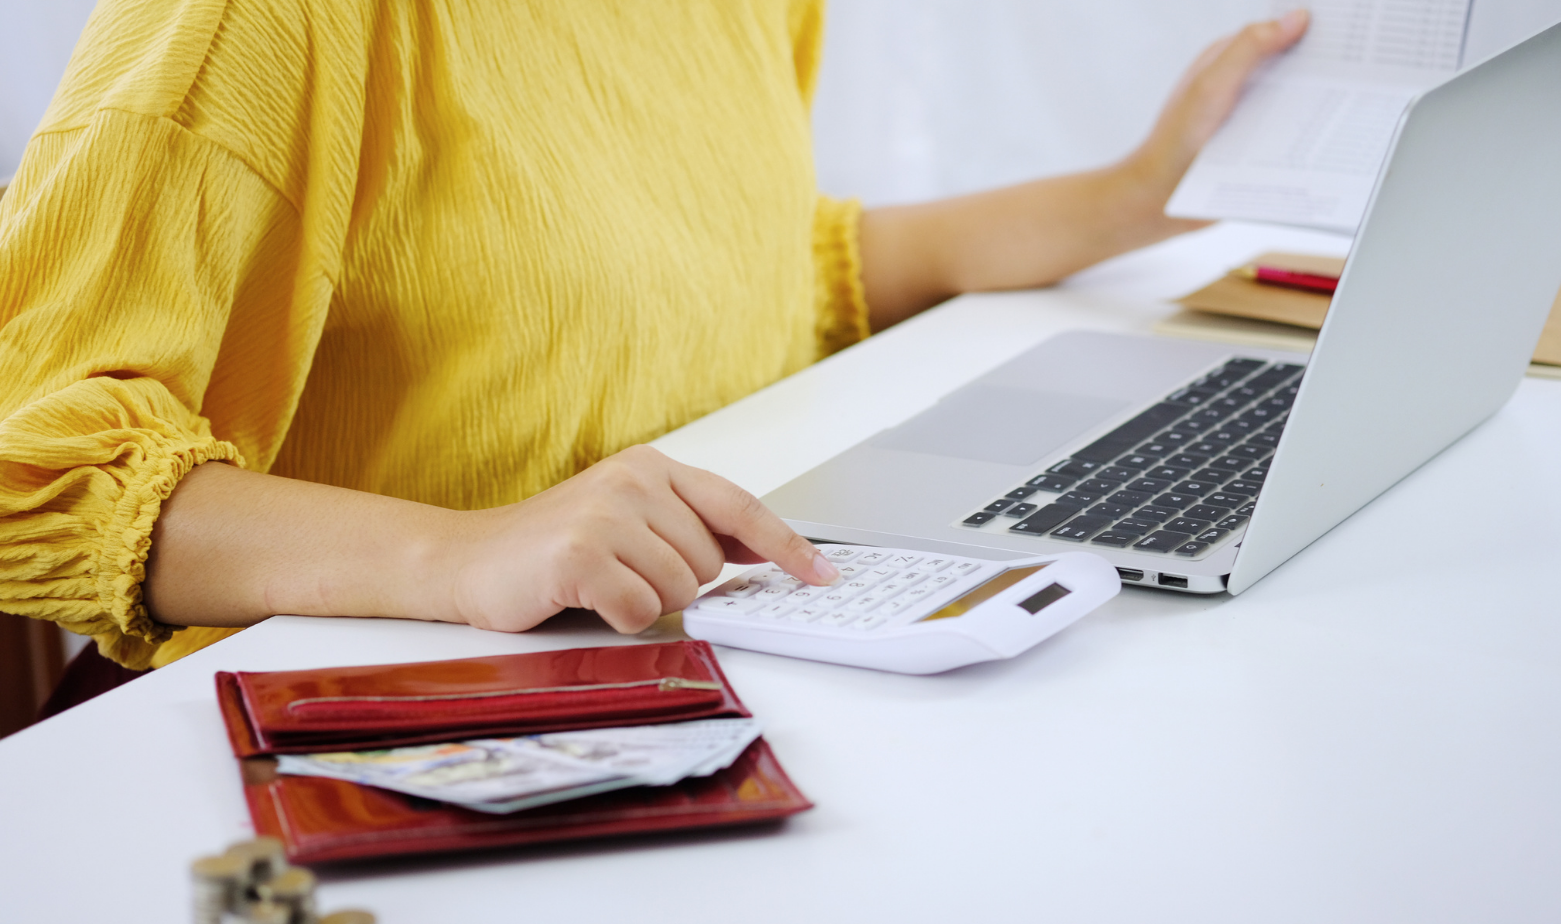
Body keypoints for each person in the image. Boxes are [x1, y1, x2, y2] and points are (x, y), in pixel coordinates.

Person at [0, 1, 1307, 676]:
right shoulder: (258, 22)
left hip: (690, 656)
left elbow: (755, 269)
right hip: (399, 741)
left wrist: (1134, 194)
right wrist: (462, 552)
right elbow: (25, 463)